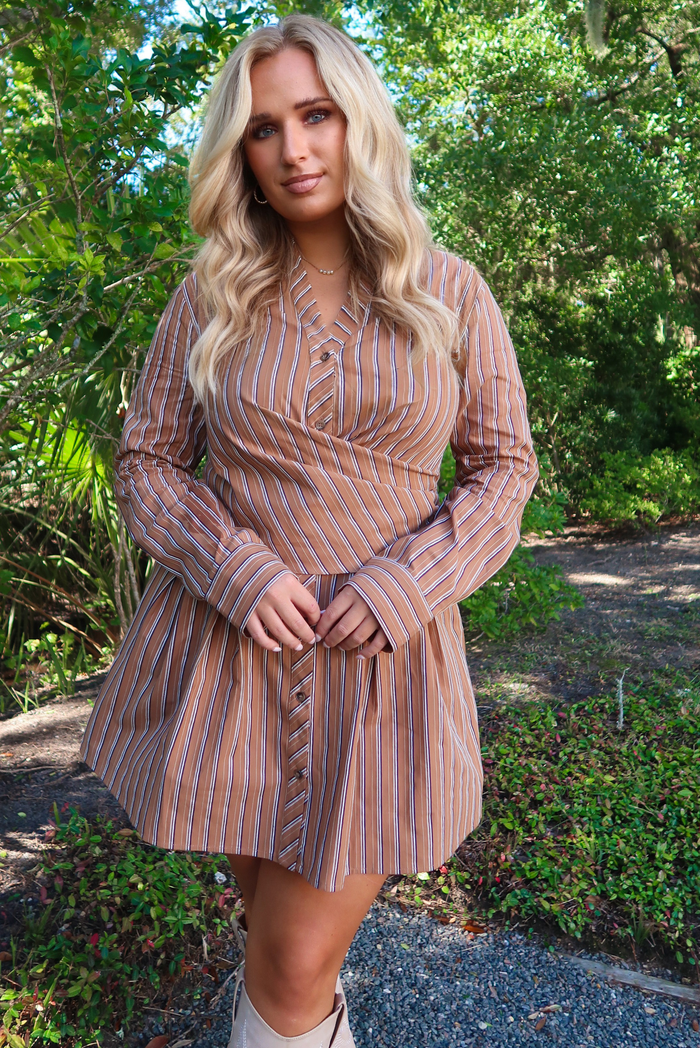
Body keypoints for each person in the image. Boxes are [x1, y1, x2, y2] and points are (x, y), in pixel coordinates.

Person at [80, 13, 538, 1048]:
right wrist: (234, 567)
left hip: (383, 670)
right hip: (228, 663)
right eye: (262, 127)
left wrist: (405, 583)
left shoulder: (450, 289)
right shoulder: (211, 295)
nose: (293, 148)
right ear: (236, 151)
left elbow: (504, 469)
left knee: (288, 962)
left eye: (316, 114)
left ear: (357, 120)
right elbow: (146, 462)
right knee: (283, 948)